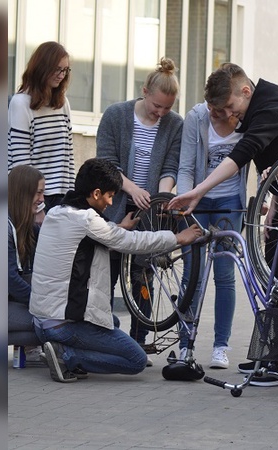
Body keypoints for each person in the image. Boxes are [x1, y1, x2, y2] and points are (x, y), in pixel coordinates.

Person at [166, 62, 278, 385]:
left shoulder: (267, 112)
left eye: (231, 107)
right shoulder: (264, 109)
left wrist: (198, 190)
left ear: (246, 91)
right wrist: (275, 203)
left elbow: (240, 156)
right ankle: (272, 358)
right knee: (275, 281)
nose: (230, 115)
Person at [29, 158, 202, 383]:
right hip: (62, 324)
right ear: (97, 193)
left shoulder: (57, 212)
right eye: (110, 196)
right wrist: (177, 238)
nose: (111, 203)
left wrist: (118, 227)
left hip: (41, 322)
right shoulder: (87, 219)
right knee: (135, 360)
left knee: (112, 322)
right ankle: (67, 356)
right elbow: (129, 242)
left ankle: (61, 349)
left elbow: (87, 235)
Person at [96, 57, 183, 356]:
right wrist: (132, 188)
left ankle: (138, 341)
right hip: (115, 205)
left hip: (150, 211)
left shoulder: (175, 124)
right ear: (145, 91)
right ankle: (104, 338)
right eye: (156, 106)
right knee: (106, 273)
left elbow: (171, 165)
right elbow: (105, 163)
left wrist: (161, 198)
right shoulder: (116, 115)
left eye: (167, 108)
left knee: (144, 274)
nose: (160, 113)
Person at [175, 71, 249, 369]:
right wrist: (184, 199)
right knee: (191, 272)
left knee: (224, 274)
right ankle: (185, 343)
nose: (218, 114)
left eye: (222, 109)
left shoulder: (245, 119)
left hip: (230, 203)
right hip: (197, 200)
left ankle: (221, 346)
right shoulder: (197, 118)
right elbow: (184, 166)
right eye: (214, 109)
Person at [8, 41, 75, 212]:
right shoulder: (21, 103)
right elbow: (21, 164)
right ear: (42, 68)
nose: (61, 75)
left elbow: (68, 156)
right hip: (31, 198)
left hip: (61, 197)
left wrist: (71, 199)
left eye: (65, 70)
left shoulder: (62, 103)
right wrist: (37, 207)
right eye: (57, 69)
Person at [8, 165, 46, 361]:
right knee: (51, 325)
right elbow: (10, 279)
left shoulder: (26, 226)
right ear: (23, 193)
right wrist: (42, 305)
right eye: (38, 193)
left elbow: (53, 244)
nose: (42, 200)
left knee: (51, 327)